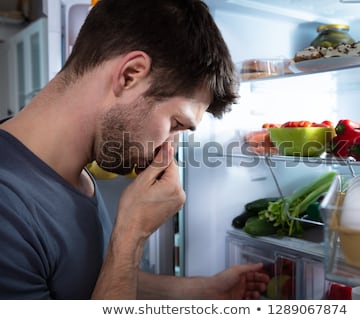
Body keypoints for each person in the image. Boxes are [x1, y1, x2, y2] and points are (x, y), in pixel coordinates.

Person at [0, 0, 269, 299]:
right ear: (130, 75)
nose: (169, 147)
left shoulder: (76, 172)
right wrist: (131, 235)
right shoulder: (7, 208)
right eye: (176, 122)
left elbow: (87, 280)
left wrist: (203, 290)